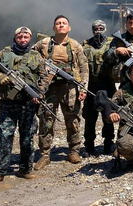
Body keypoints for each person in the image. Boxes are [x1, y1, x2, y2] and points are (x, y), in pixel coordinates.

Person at [0, 26, 48, 187]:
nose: (23, 40)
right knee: (3, 137)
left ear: (30, 38)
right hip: (8, 104)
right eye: (20, 37)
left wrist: (40, 94)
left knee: (27, 138)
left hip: (28, 104)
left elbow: (44, 78)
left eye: (26, 37)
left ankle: (25, 169)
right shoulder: (3, 54)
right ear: (15, 38)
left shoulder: (36, 56)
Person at [33, 15, 89, 170]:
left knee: (73, 120)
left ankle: (74, 151)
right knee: (46, 120)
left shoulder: (75, 45)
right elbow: (30, 60)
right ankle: (44, 155)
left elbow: (84, 68)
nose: (61, 25)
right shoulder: (43, 43)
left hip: (70, 88)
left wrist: (83, 88)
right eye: (58, 23)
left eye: (64, 23)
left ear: (69, 28)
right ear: (53, 28)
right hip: (48, 88)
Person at [82, 20, 115, 155]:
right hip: (91, 86)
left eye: (101, 28)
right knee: (90, 118)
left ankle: (108, 143)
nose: (98, 31)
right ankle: (89, 146)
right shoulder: (85, 45)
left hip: (107, 85)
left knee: (108, 116)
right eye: (96, 28)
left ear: (105, 29)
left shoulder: (111, 44)